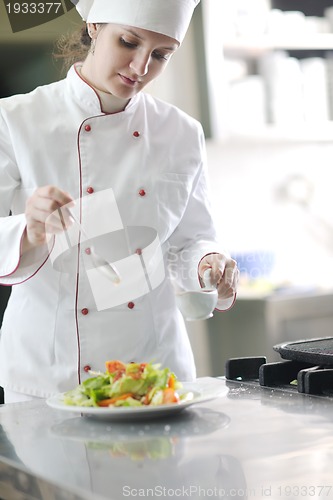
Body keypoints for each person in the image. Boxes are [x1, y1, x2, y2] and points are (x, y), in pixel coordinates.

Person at [0, 0, 239, 403]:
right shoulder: (16, 119)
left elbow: (190, 239)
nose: (141, 67)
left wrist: (205, 263)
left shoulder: (180, 132)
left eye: (161, 55)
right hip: (50, 372)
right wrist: (28, 228)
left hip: (154, 368)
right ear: (94, 27)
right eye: (129, 42)